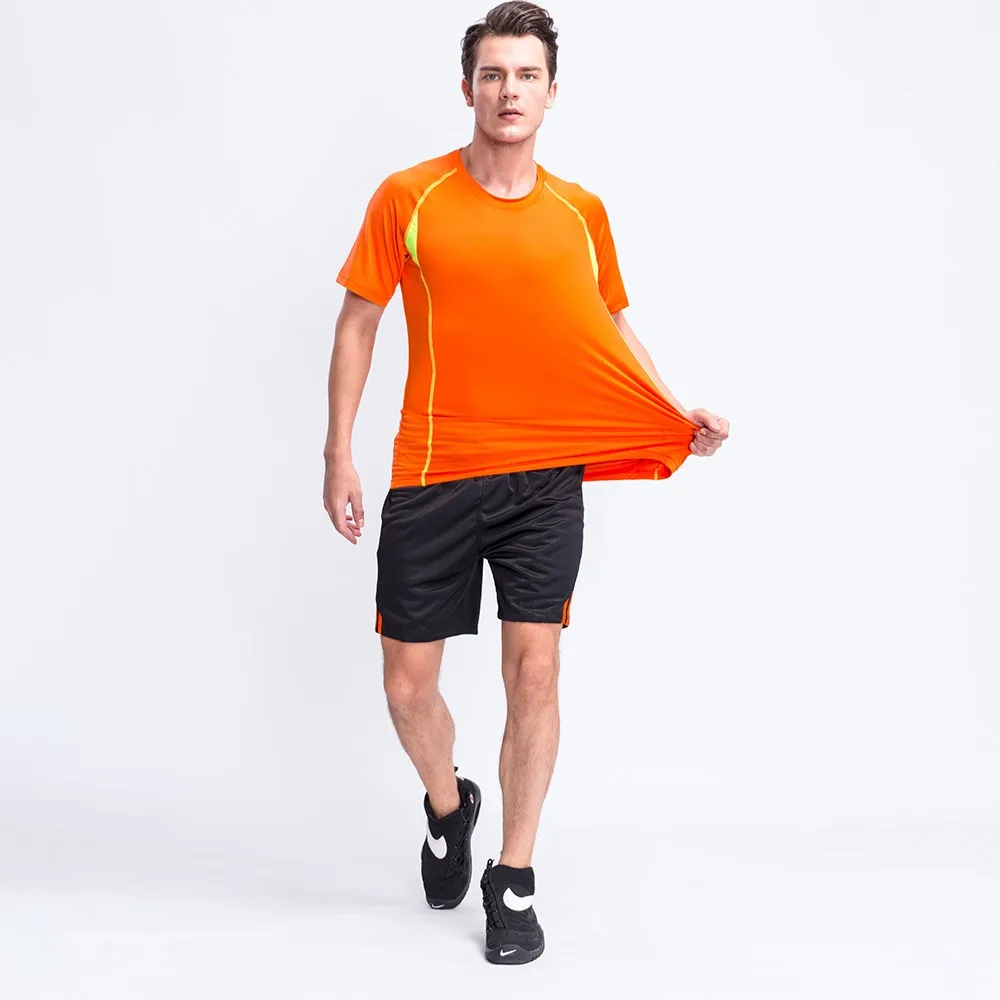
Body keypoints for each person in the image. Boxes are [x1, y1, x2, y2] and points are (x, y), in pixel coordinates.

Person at [324, 1, 729, 965]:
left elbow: (609, 327)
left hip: (545, 479)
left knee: (535, 669)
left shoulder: (581, 213)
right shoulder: (408, 197)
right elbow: (358, 323)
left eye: (527, 75)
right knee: (406, 687)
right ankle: (448, 805)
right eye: (494, 74)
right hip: (435, 470)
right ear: (468, 87)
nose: (510, 91)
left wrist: (673, 412)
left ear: (553, 92)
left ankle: (513, 876)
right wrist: (338, 452)